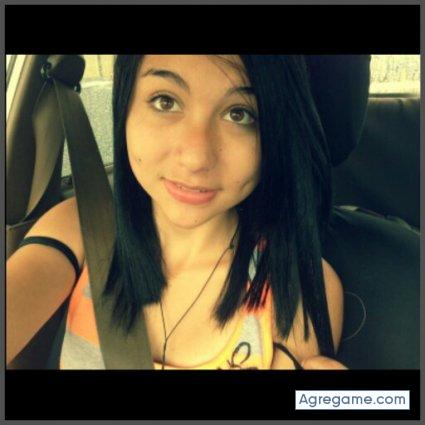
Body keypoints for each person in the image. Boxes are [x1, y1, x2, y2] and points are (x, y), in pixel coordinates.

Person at [7, 55, 346, 370]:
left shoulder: (296, 285)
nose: (196, 158)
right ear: (125, 107)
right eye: (165, 101)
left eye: (239, 114)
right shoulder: (79, 228)